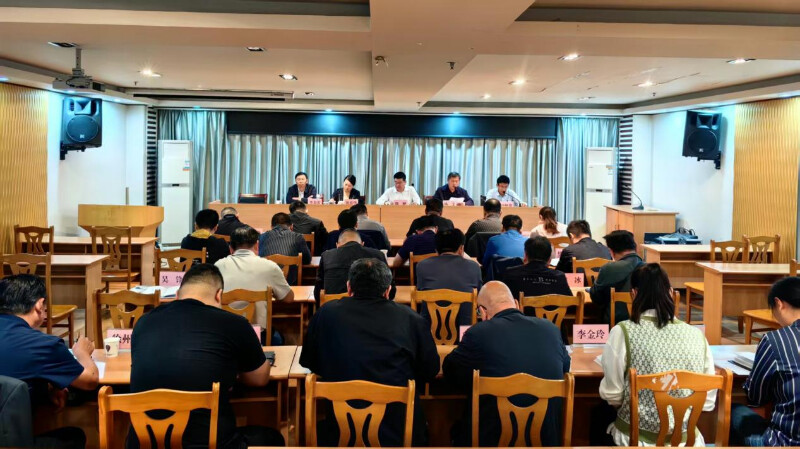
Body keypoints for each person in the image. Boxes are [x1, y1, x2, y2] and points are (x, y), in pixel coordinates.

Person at [130, 264, 284, 449]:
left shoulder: (143, 323)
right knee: (272, 438)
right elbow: (259, 378)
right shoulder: (234, 323)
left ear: (177, 296)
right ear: (219, 295)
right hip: (211, 444)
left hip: (144, 443)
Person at [300, 258, 440, 447]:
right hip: (398, 435)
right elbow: (430, 370)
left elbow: (310, 362)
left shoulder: (325, 314)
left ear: (349, 287)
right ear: (388, 291)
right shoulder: (411, 319)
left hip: (339, 434)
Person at [597, 264, 715, 446]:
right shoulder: (697, 335)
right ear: (671, 293)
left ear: (633, 294)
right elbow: (707, 402)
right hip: (687, 442)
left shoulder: (622, 332)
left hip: (635, 440)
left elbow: (614, 395)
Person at [443, 281, 570, 447]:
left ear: (482, 312)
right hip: (546, 441)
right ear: (517, 304)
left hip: (490, 442)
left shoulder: (478, 333)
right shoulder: (550, 329)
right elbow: (565, 368)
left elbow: (450, 371)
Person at [0, 274, 98, 449]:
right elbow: (90, 380)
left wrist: (46, 387)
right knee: (74, 436)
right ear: (39, 305)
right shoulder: (42, 344)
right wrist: (82, 352)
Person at [730, 277, 800, 446]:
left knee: (732, 410)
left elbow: (756, 397)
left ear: (779, 304)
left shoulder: (775, 340)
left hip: (785, 443)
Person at [215, 226, 294, 331]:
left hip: (224, 332)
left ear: (230, 248)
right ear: (257, 245)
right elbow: (288, 298)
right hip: (258, 334)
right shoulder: (270, 266)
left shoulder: (218, 266)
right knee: (279, 337)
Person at [314, 229, 395, 304]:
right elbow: (391, 290)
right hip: (373, 309)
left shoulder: (327, 256)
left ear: (337, 245)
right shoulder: (378, 255)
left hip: (334, 309)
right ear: (362, 244)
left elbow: (317, 293)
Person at [590, 230, 644, 325]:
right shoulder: (652, 269)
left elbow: (596, 298)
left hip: (615, 324)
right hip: (643, 323)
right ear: (635, 248)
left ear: (611, 251)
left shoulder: (608, 268)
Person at [502, 236, 572, 301]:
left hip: (519, 311)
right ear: (549, 259)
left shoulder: (511, 274)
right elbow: (571, 303)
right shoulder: (559, 277)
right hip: (553, 311)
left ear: (525, 255)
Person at [416, 229, 481, 293]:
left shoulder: (422, 266)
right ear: (461, 249)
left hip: (430, 300)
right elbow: (479, 293)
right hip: (464, 300)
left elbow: (420, 291)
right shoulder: (474, 267)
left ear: (436, 250)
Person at [258, 212, 311, 285]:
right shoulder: (297, 237)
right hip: (291, 284)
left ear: (271, 227)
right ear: (291, 226)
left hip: (266, 284)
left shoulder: (262, 237)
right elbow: (307, 260)